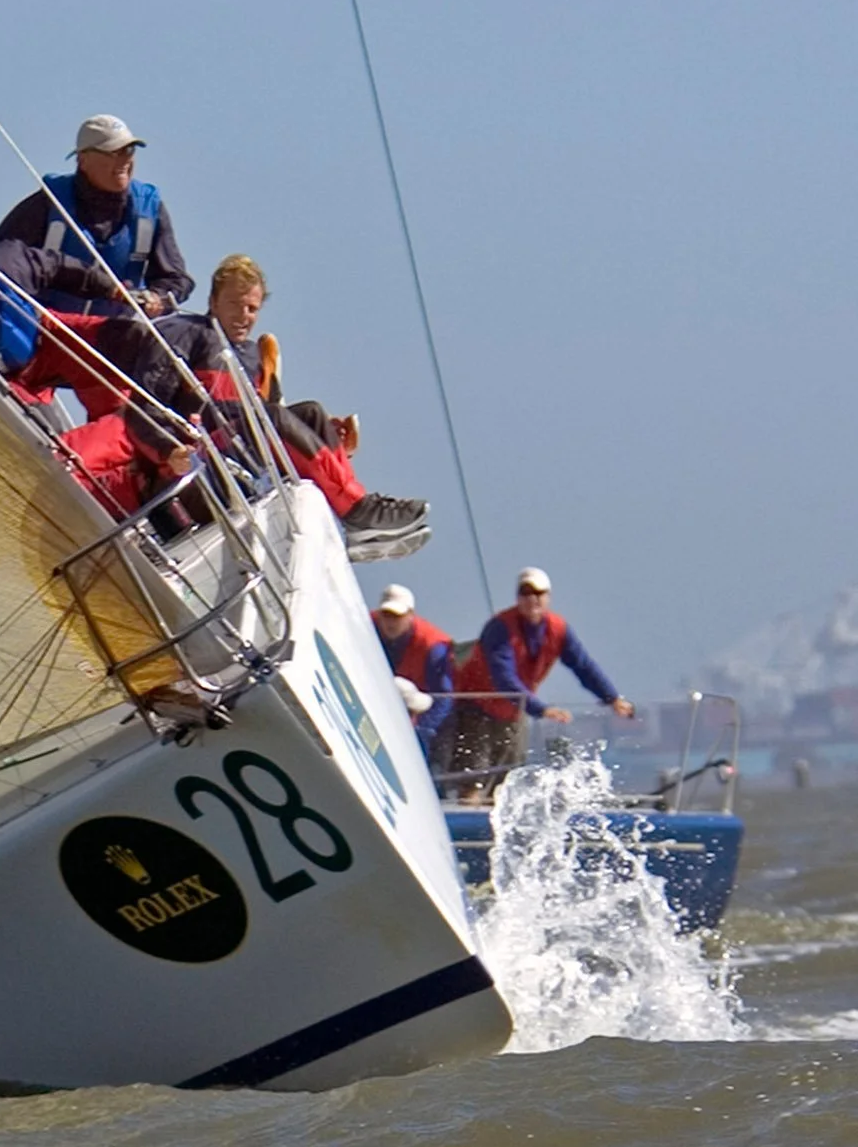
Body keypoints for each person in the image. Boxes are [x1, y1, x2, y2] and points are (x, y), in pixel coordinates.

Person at [157, 255, 428, 556]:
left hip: (245, 444)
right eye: (234, 304)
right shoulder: (191, 333)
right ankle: (356, 508)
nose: (243, 316)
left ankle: (348, 515)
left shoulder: (251, 355)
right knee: (272, 418)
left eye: (252, 308)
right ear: (213, 301)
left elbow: (267, 410)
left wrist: (321, 435)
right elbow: (158, 393)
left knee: (312, 412)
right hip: (208, 450)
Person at [0, 256, 198, 518]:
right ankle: (111, 492)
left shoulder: (7, 264)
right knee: (50, 464)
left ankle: (138, 458)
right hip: (12, 385)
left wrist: (113, 290)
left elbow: (57, 266)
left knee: (128, 339)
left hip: (46, 341)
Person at [434, 567, 636, 798]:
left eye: (538, 593)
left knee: (506, 783)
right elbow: (504, 678)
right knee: (473, 779)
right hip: (476, 707)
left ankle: (495, 815)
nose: (532, 599)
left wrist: (611, 698)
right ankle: (467, 807)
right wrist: (541, 709)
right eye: (526, 593)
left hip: (514, 711)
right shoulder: (499, 627)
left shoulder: (558, 629)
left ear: (548, 597)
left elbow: (582, 665)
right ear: (518, 597)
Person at [0, 116, 193, 319]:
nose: (124, 159)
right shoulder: (49, 204)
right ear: (83, 160)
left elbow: (176, 278)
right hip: (46, 331)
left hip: (111, 335)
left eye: (129, 150)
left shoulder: (148, 210)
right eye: (113, 152)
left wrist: (158, 297)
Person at [371, 582, 454, 755]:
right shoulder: (364, 625)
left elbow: (443, 698)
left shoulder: (433, 647)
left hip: (424, 711)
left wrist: (420, 729)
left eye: (397, 616)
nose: (390, 622)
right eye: (386, 615)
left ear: (410, 615)